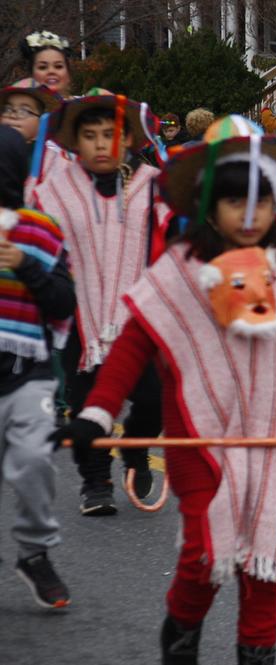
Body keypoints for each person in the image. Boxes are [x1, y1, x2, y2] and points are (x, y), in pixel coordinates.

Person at [51, 115, 276, 664]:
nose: (248, 216)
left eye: (260, 203)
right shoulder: (180, 268)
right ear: (208, 205)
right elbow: (133, 346)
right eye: (233, 202)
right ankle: (182, 634)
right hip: (200, 439)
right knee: (202, 553)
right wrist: (97, 414)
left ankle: (256, 655)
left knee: (261, 563)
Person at [31, 92, 171, 516]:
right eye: (89, 136)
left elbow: (172, 240)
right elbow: (39, 240)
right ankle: (95, 482)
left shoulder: (150, 185)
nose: (100, 144)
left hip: (139, 317)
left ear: (128, 139)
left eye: (110, 135)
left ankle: (136, 451)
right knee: (89, 402)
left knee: (151, 399)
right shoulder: (57, 189)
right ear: (76, 143)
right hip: (80, 314)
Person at [0, 126, 75, 609]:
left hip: (28, 370)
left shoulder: (41, 230)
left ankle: (34, 553)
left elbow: (64, 303)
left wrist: (26, 263)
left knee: (31, 460)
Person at [0, 79, 61, 144]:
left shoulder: (47, 152)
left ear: (42, 123)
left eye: (24, 111)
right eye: (7, 109)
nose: (12, 116)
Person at [20, 31, 73, 98]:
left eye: (58, 66)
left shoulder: (86, 105)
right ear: (32, 73)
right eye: (42, 67)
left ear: (68, 72)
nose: (51, 71)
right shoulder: (18, 106)